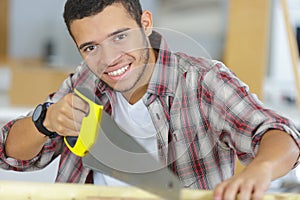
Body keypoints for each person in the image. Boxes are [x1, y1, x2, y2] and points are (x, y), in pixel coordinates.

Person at [1, 0, 300, 199]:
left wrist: (260, 170)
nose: (110, 59)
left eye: (120, 36)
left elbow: (282, 135)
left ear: (145, 23)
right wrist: (46, 121)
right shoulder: (84, 82)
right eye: (91, 48)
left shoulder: (201, 81)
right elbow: (10, 152)